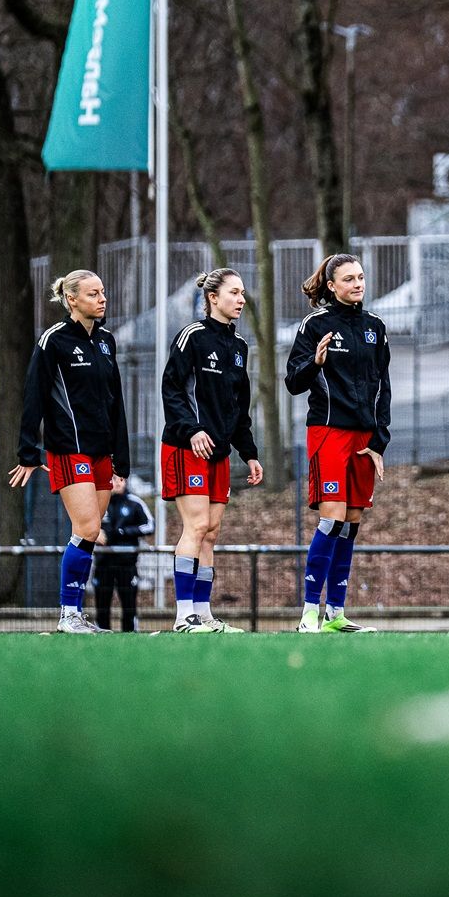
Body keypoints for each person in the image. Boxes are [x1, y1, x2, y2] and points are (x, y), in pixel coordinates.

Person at [9, 270, 130, 635]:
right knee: (88, 526)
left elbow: (116, 402)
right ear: (72, 300)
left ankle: (75, 614)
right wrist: (28, 451)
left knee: (89, 534)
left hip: (101, 453)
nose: (102, 299)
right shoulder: (53, 341)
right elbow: (33, 397)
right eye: (93, 294)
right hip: (68, 450)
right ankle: (68, 615)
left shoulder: (107, 341)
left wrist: (120, 460)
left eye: (103, 292)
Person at [286, 253, 390, 634]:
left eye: (361, 277)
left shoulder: (375, 327)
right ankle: (309, 613)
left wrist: (380, 438)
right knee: (332, 518)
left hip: (364, 437)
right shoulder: (315, 325)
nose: (358, 284)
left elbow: (384, 387)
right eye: (349, 279)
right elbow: (293, 382)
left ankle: (336, 614)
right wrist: (314, 362)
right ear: (331, 286)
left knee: (352, 522)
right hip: (329, 431)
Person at [161, 269, 264, 633]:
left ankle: (203, 614)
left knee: (212, 531)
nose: (241, 299)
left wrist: (249, 453)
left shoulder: (239, 348)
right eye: (234, 292)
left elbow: (239, 409)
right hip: (186, 447)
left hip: (219, 453)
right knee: (197, 524)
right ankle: (183, 616)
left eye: (243, 293)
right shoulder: (193, 336)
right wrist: (192, 431)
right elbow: (171, 389)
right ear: (213, 298)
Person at [93, 474, 154, 632]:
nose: (117, 483)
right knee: (102, 603)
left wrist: (124, 532)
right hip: (103, 562)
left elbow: (149, 525)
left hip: (126, 563)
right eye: (112, 479)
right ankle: (102, 632)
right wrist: (94, 532)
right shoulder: (98, 502)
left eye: (120, 479)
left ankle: (130, 633)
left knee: (128, 603)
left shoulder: (134, 503)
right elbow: (83, 522)